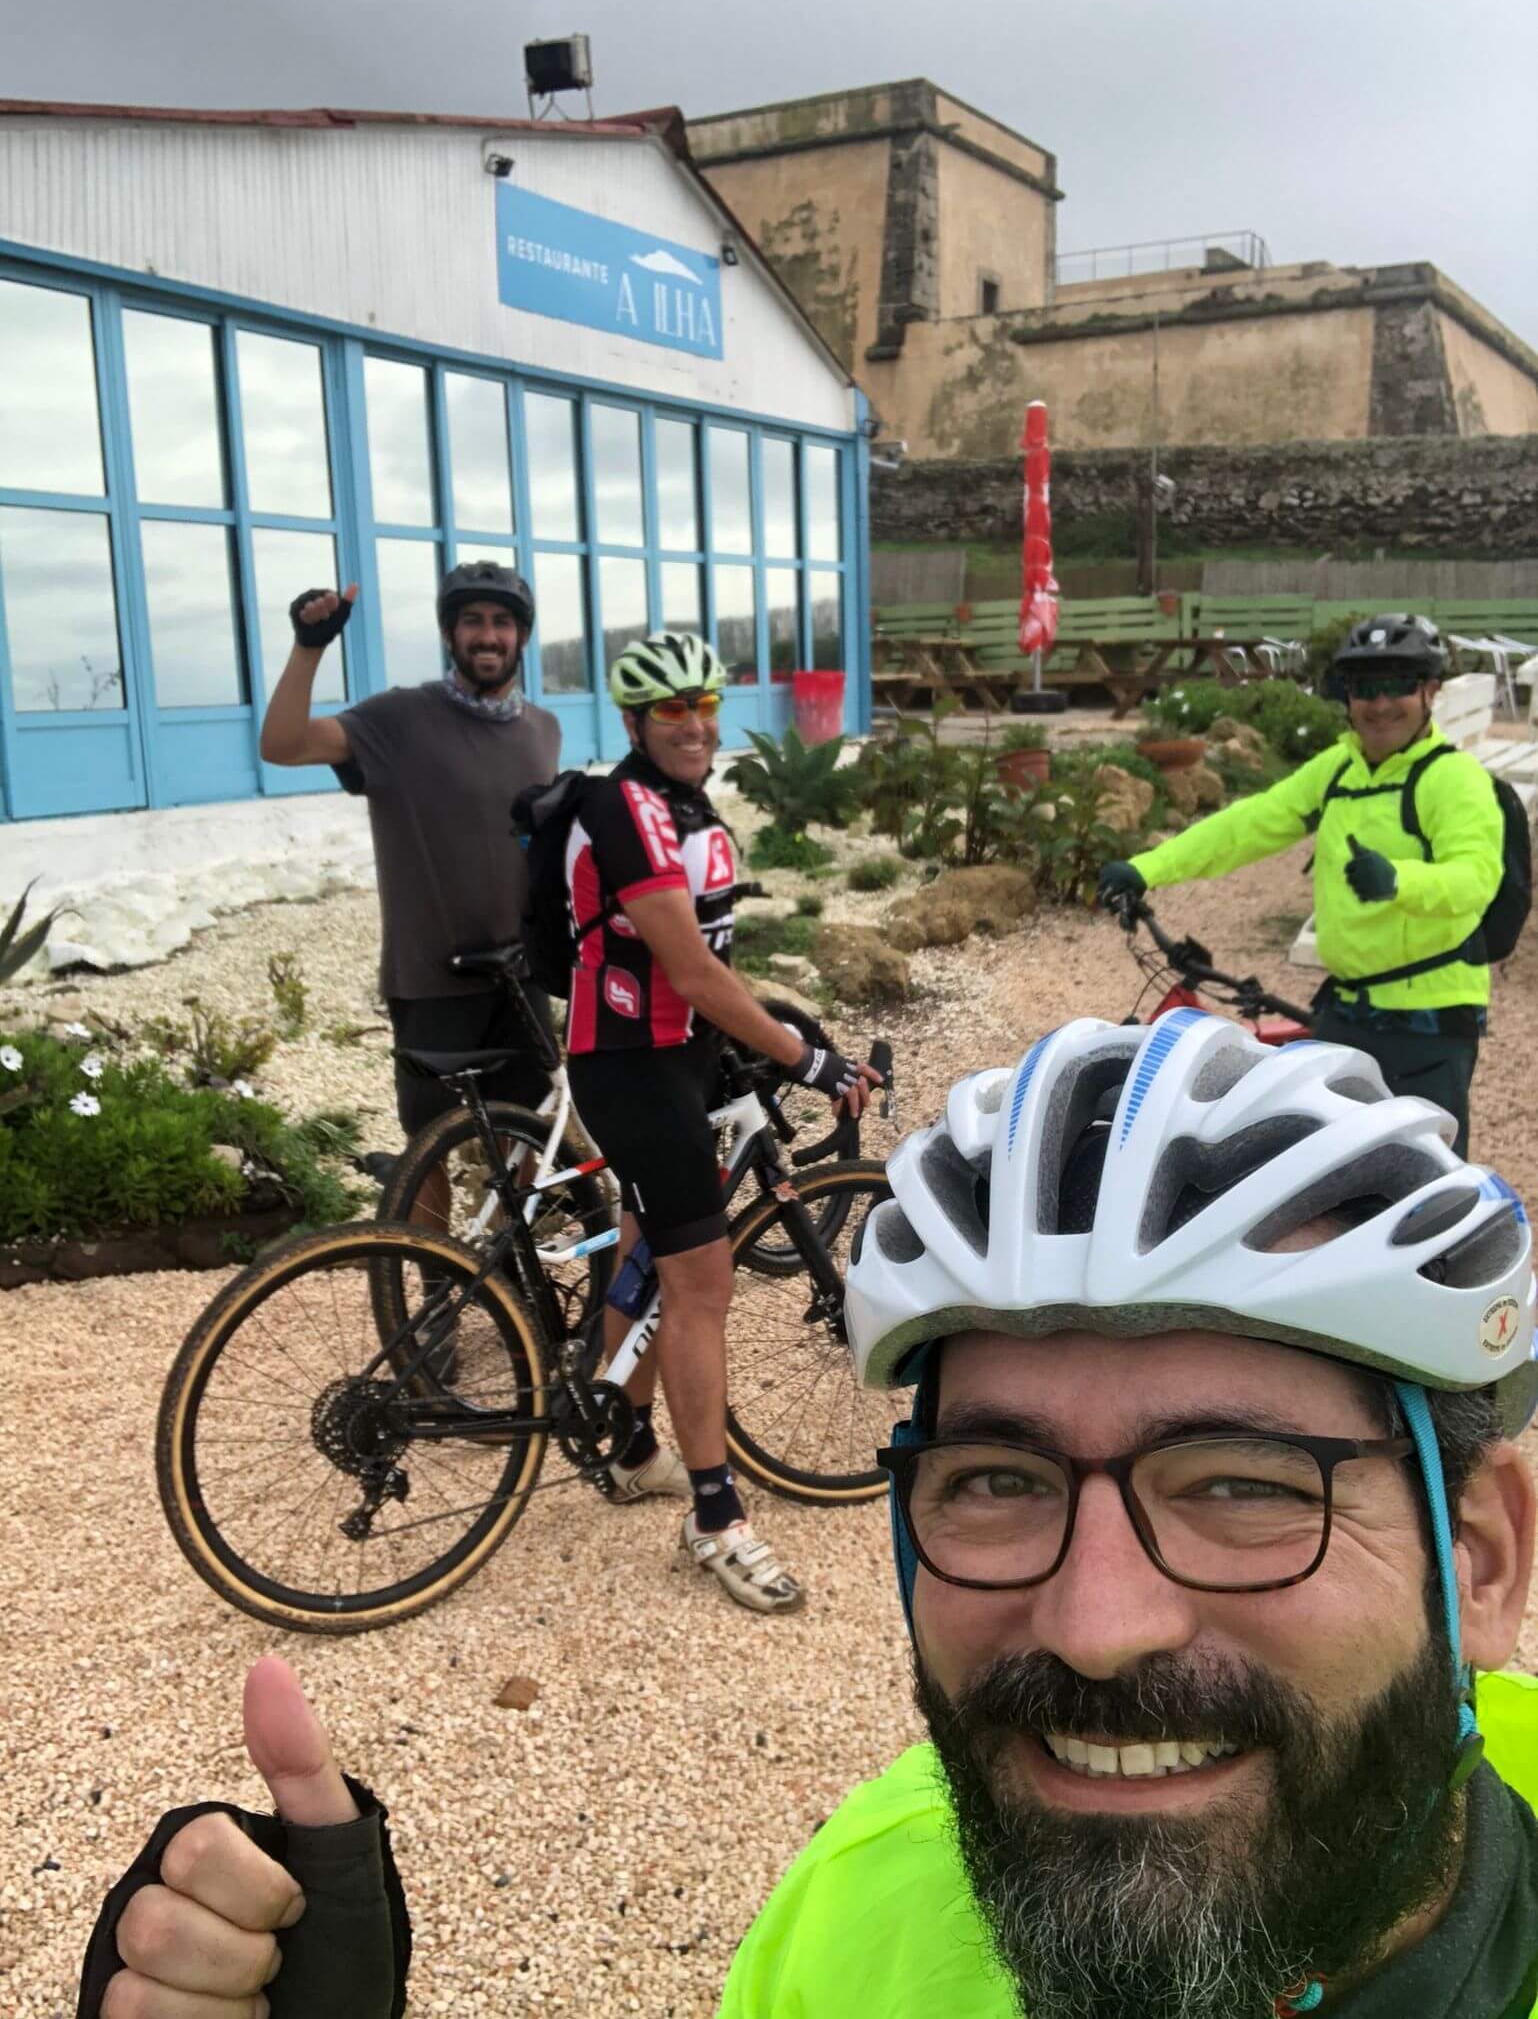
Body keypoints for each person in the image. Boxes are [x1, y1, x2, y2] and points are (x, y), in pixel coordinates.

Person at [76, 1016, 1538, 2019]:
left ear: (1478, 1553)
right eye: (997, 1481)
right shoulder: (860, 1914)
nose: (1096, 1628)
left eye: (1236, 1486)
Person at [559, 630, 881, 1612]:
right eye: (671, 711)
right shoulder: (625, 807)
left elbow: (704, 960)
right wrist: (807, 1057)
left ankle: (625, 1439)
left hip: (675, 1055)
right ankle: (713, 1517)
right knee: (701, 1281)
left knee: (650, 1245)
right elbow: (692, 972)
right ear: (633, 721)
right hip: (632, 1066)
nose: (694, 724)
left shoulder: (678, 801)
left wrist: (752, 1039)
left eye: (703, 704)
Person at [1098, 614, 1505, 1156]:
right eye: (1366, 689)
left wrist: (1399, 880)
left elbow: (1475, 879)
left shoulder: (1453, 780)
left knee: (1423, 1179)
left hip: (1427, 1024)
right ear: (1348, 697)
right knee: (1322, 1167)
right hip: (1348, 1008)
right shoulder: (1340, 769)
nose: (1381, 704)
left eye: (1399, 685)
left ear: (1430, 691)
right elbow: (1249, 824)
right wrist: (1149, 867)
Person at [258, 562, 562, 1165]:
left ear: (522, 636)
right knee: (428, 1152)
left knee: (523, 1141)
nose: (488, 635)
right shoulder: (398, 720)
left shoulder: (543, 729)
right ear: (449, 635)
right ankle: (424, 1262)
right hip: (432, 980)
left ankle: (505, 1261)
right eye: (471, 621)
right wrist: (308, 648)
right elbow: (282, 744)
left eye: (502, 622)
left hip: (521, 975)